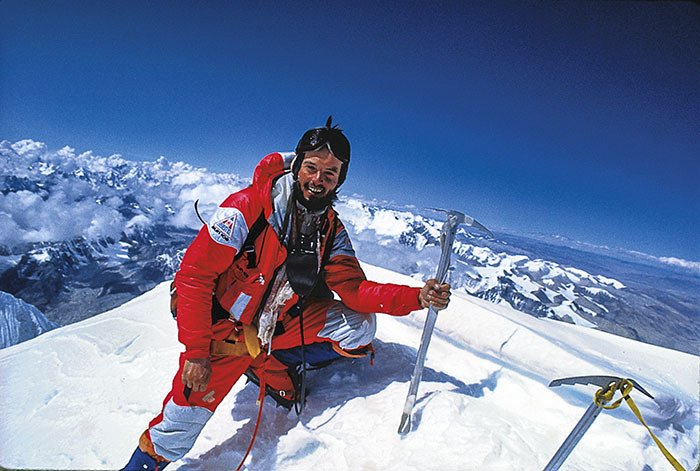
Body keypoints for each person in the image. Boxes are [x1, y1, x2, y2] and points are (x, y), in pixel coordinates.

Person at [122, 117, 451, 470]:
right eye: (311, 168)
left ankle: (269, 364)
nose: (318, 181)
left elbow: (354, 289)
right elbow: (195, 276)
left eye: (330, 174)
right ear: (297, 166)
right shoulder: (248, 206)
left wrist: (417, 297)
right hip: (222, 330)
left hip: (274, 327)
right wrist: (197, 353)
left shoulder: (329, 228)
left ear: (341, 178)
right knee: (180, 423)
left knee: (359, 328)